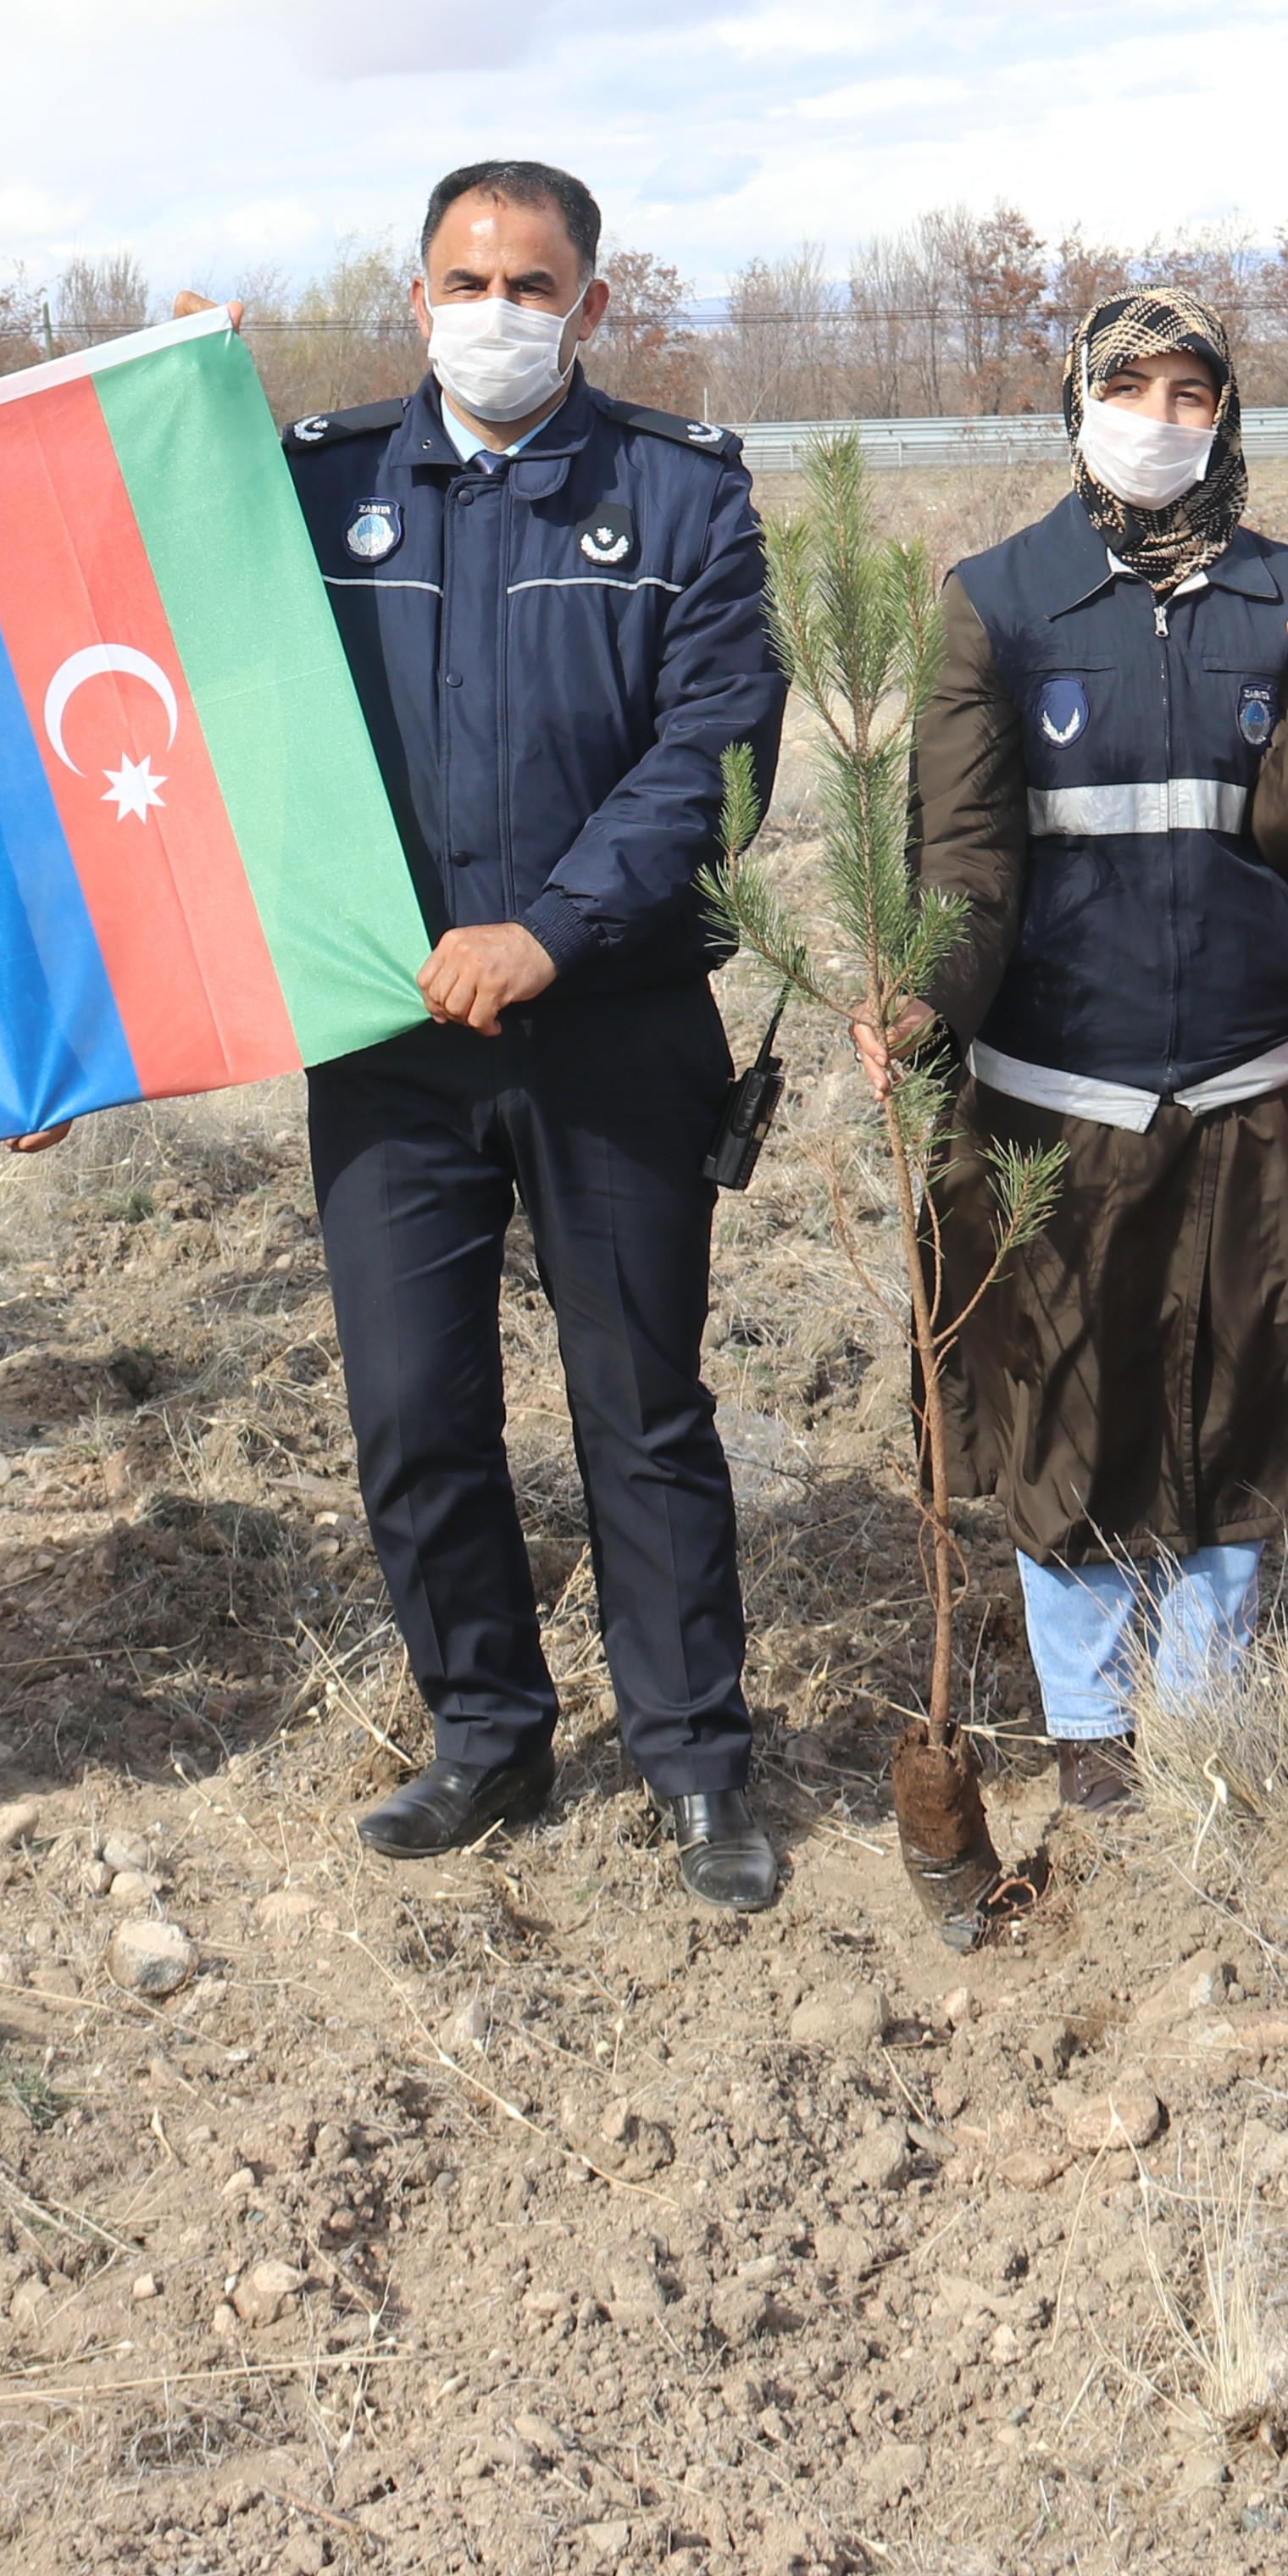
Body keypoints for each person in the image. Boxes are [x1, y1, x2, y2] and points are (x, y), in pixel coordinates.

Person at [282, 160, 792, 1910]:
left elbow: (712, 764)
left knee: (640, 1408)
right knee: (415, 1408)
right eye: (464, 277)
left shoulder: (679, 498)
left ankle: (696, 1757)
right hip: (387, 1033)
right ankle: (486, 1730)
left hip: (613, 1026)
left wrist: (549, 933)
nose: (495, 309)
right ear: (412, 289)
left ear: (591, 299)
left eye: (533, 281)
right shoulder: (319, 489)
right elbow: (207, 687)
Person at [895, 290, 1288, 1815]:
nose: (1161, 420)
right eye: (1130, 387)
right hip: (1059, 1092)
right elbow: (965, 868)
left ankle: (1208, 1704)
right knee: (1066, 1406)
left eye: (1192, 392)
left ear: (1228, 415)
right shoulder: (997, 603)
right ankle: (1091, 1726)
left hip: (1253, 1085)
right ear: (1075, 402)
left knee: (1240, 1400)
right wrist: (925, 1006)